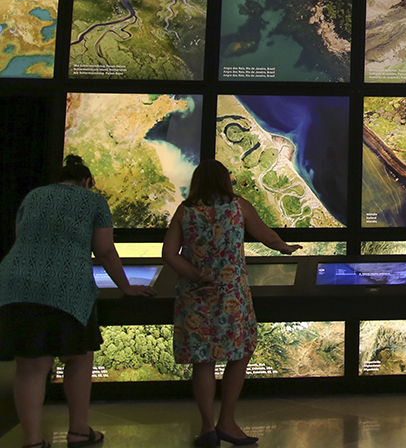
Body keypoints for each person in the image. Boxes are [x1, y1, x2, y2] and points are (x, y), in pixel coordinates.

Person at [0, 155, 155, 448]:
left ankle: (33, 442)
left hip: (14, 284)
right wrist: (127, 287)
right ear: (87, 182)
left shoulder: (34, 196)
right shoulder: (93, 201)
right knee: (79, 357)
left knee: (31, 367)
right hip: (67, 288)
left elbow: (21, 236)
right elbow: (105, 250)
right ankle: (79, 432)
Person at [162, 160, 301, 448]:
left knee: (203, 361)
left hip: (195, 297)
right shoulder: (238, 207)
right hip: (231, 296)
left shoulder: (185, 211)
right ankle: (227, 420)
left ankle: (207, 428)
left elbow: (169, 254)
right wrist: (285, 247)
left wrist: (196, 274)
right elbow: (266, 235)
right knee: (240, 351)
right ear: (225, 180)